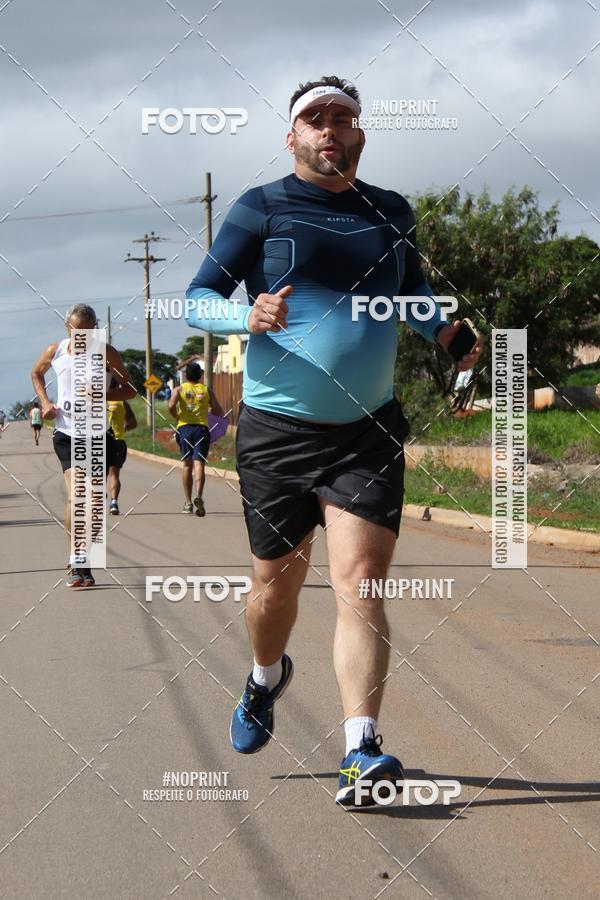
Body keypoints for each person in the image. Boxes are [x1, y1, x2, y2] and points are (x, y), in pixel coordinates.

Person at [184, 75, 483, 806]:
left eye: (342, 118)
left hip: (367, 431)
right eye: (314, 118)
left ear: (360, 135)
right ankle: (265, 677)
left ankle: (361, 750)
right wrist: (244, 317)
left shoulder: (391, 212)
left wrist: (444, 332)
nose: (329, 128)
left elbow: (409, 294)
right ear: (292, 136)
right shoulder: (261, 207)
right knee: (274, 589)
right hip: (276, 433)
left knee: (361, 583)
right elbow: (197, 298)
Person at [31, 304, 137, 588]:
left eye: (89, 332)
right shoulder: (55, 351)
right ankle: (78, 562)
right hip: (67, 434)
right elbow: (36, 374)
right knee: (77, 495)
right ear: (68, 327)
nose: (83, 337)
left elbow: (130, 389)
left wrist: (103, 393)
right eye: (78, 331)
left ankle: (83, 557)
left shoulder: (106, 352)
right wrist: (45, 402)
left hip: (97, 435)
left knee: (94, 502)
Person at [168, 362, 223, 516]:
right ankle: (199, 495)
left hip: (185, 429)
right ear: (200, 375)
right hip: (202, 430)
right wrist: (209, 409)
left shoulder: (179, 389)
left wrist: (176, 416)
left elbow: (171, 405)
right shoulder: (206, 390)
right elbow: (218, 410)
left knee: (187, 465)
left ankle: (188, 503)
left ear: (186, 375)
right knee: (199, 464)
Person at [107, 383, 137, 515]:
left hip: (99, 440)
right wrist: (123, 428)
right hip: (118, 440)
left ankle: (98, 498)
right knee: (114, 474)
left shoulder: (96, 400)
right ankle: (114, 502)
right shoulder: (123, 402)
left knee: (99, 474)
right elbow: (133, 423)